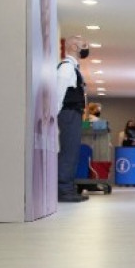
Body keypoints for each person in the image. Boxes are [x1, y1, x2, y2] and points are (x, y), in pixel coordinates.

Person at [55, 35, 91, 203]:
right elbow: (59, 93)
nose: (87, 48)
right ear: (74, 47)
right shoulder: (67, 68)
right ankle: (64, 190)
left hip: (72, 114)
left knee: (72, 151)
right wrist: (54, 115)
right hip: (68, 113)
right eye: (84, 44)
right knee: (69, 152)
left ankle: (68, 188)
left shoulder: (73, 68)